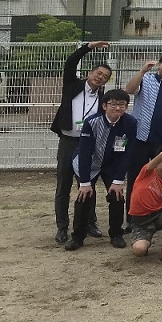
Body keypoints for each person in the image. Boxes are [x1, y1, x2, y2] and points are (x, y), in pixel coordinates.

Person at [50, 40, 111, 244]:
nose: (100, 78)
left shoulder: (102, 98)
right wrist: (88, 46)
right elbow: (70, 62)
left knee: (87, 183)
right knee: (64, 184)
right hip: (68, 140)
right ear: (89, 73)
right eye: (98, 73)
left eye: (104, 77)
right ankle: (62, 226)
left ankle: (89, 222)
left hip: (88, 145)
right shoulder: (73, 85)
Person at [65, 88, 137, 251]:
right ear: (104, 106)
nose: (117, 108)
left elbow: (127, 153)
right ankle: (77, 236)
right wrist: (84, 182)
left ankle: (116, 234)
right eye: (113, 104)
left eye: (122, 105)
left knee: (117, 196)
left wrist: (118, 180)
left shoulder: (130, 123)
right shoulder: (91, 122)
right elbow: (84, 153)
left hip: (112, 163)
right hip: (89, 162)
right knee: (84, 196)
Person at [124, 53, 162, 209]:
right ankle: (133, 215)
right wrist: (142, 71)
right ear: (160, 63)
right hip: (140, 138)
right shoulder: (146, 79)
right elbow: (130, 89)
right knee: (136, 176)